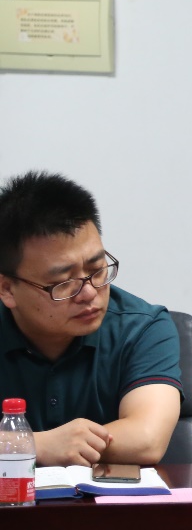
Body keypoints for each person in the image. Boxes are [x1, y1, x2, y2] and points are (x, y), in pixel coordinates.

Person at [0, 171, 182, 466]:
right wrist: (38, 445)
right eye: (63, 283)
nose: (89, 293)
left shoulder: (143, 328)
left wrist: (17, 446)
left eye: (97, 270)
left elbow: (147, 438)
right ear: (7, 289)